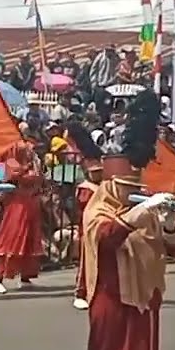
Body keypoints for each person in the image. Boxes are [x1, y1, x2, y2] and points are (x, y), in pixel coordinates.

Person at [83, 91, 175, 350]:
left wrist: (169, 223)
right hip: (111, 297)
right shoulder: (98, 209)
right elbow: (106, 237)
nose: (134, 194)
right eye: (127, 189)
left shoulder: (144, 209)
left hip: (145, 296)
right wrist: (139, 212)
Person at [0, 139, 44, 294]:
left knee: (30, 240)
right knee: (12, 239)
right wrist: (28, 167)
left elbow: (40, 177)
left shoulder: (34, 162)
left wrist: (34, 165)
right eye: (26, 149)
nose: (30, 150)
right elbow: (14, 175)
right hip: (17, 205)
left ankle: (25, 277)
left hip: (32, 203)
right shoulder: (11, 161)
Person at [67, 120, 105, 310]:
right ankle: (81, 292)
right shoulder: (79, 156)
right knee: (86, 255)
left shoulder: (90, 157)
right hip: (88, 215)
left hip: (100, 211)